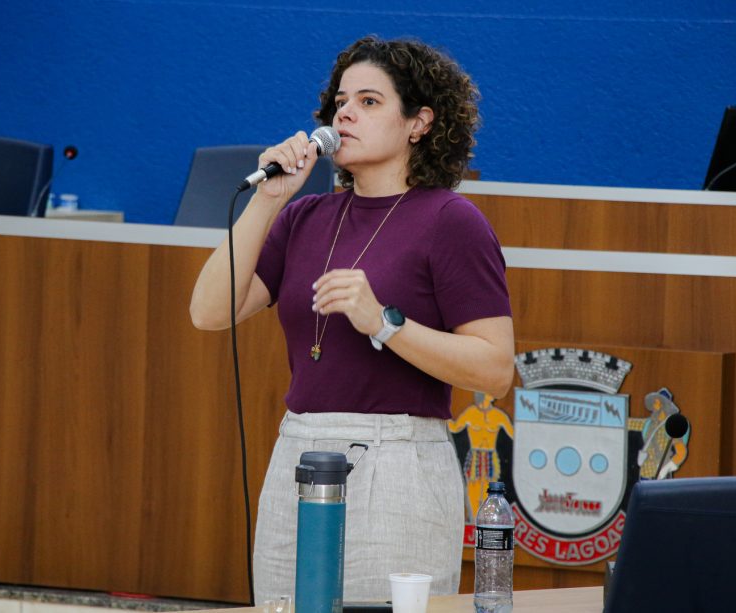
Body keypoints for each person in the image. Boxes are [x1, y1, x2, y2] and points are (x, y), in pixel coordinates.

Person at [189, 35, 514, 602]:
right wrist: (269, 199)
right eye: (340, 101)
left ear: (419, 123)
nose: (344, 113)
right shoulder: (305, 216)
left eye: (369, 101)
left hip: (399, 461)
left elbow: (494, 369)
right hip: (299, 450)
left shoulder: (451, 220)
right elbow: (208, 312)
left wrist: (385, 323)